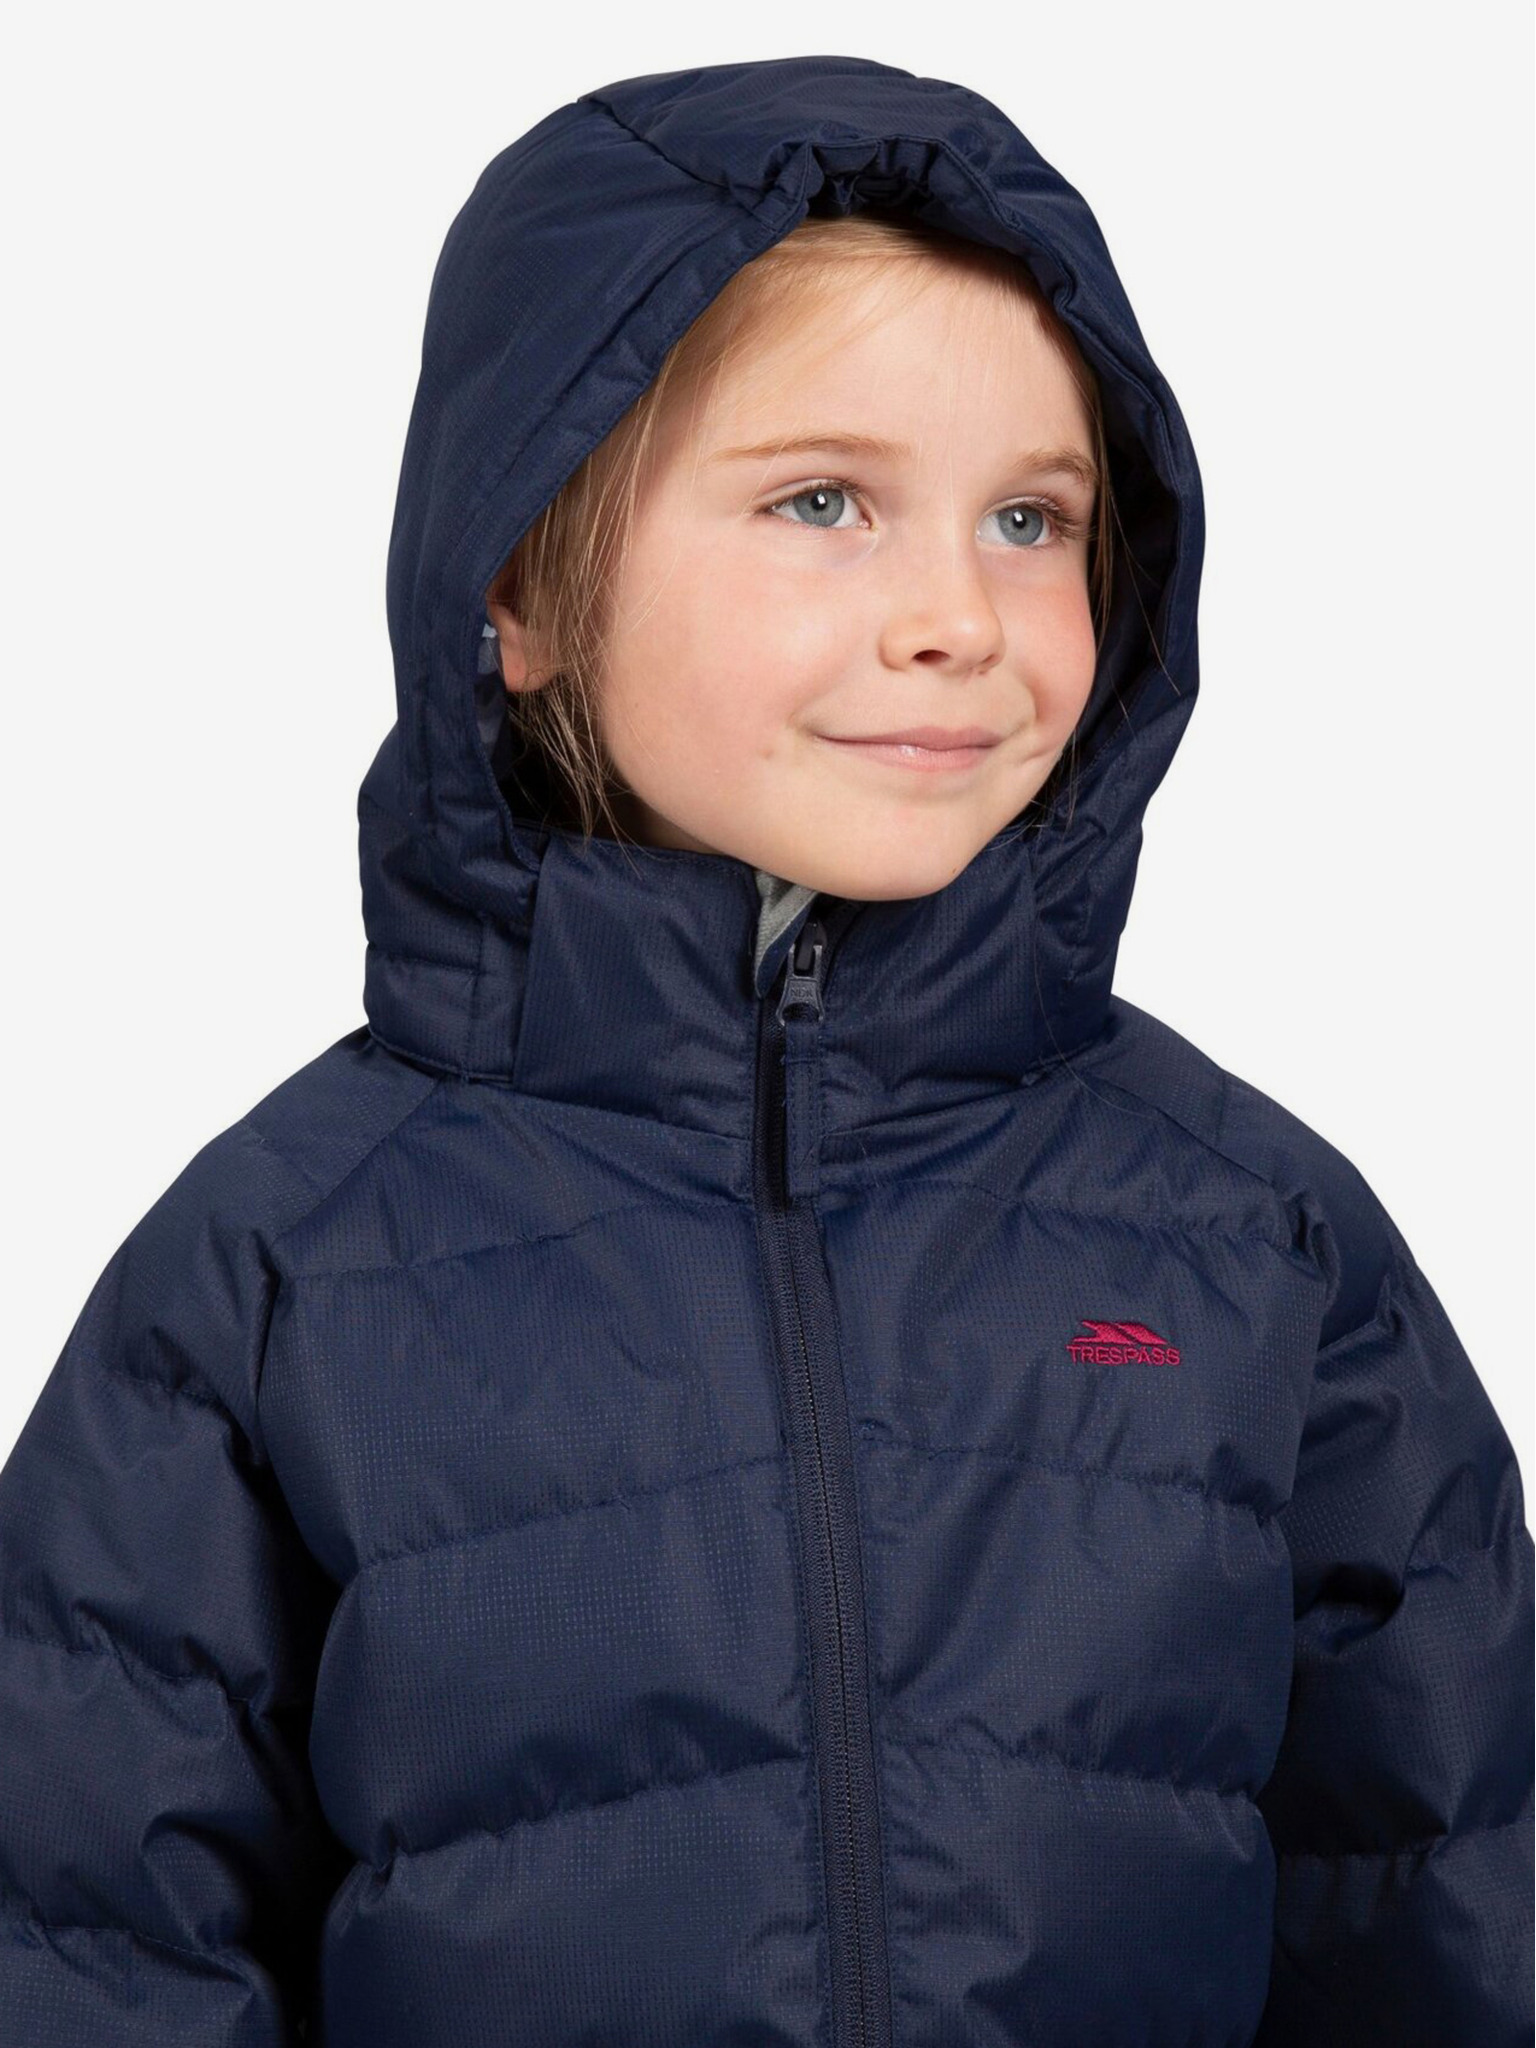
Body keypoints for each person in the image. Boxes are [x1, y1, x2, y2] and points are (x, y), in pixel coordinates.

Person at [0, 53, 1529, 2047]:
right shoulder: (285, 1268)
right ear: (523, 587)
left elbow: (1450, 1906)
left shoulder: (1260, 1243)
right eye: (826, 502)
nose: (956, 615)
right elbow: (90, 1946)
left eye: (1031, 519)